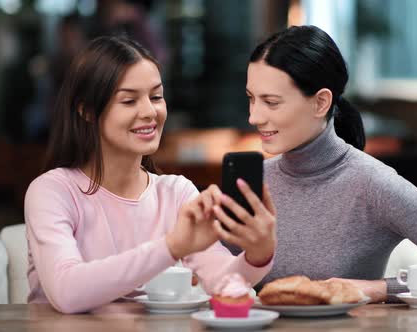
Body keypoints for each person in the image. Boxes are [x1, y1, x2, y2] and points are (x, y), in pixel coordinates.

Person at [243, 25, 417, 302]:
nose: (254, 117)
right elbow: (218, 275)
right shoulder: (253, 180)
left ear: (321, 102)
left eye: (271, 102)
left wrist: (377, 289)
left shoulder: (372, 183)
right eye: (251, 99)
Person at [24, 36, 276, 314]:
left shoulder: (176, 193)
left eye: (156, 97)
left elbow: (223, 281)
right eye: (129, 100)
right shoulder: (53, 191)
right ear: (87, 110)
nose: (149, 112)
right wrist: (170, 247)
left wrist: (257, 254)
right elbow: (66, 292)